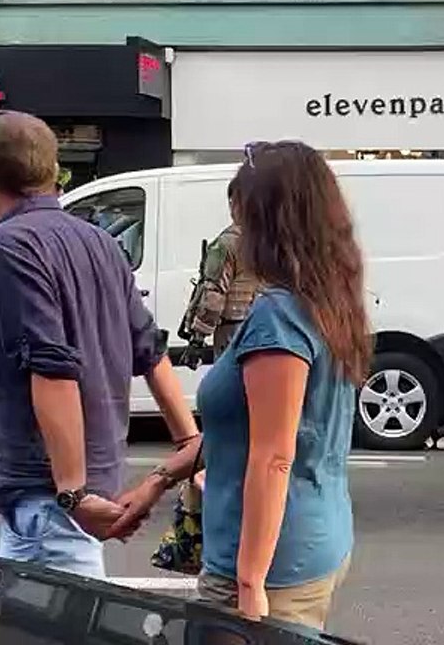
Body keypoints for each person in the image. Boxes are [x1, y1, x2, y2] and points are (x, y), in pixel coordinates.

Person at [115, 141, 366, 629]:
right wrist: (159, 480)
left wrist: (248, 588)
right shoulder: (330, 301)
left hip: (266, 568)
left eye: (241, 212)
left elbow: (274, 454)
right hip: (314, 539)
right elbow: (249, 427)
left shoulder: (279, 316)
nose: (236, 229)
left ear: (267, 222)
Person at [0, 111, 199, 578]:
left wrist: (72, 492)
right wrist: (189, 443)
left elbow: (51, 365)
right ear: (55, 171)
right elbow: (149, 350)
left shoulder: (8, 245)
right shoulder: (101, 242)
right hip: (85, 480)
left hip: (47, 491)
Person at [178, 180, 260, 367]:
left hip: (232, 332)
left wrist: (197, 340)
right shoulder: (271, 241)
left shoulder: (226, 244)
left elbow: (214, 296)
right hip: (264, 329)